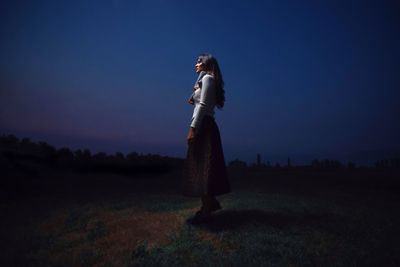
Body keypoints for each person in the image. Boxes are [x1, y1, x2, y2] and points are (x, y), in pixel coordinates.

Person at [182, 53, 231, 224]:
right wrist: (194, 95)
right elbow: (200, 101)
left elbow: (203, 106)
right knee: (201, 167)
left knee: (204, 168)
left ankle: (207, 209)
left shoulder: (208, 78)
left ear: (207, 64)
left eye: (199, 61)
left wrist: (192, 128)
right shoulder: (205, 80)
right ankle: (208, 206)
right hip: (204, 124)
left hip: (205, 126)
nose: (195, 64)